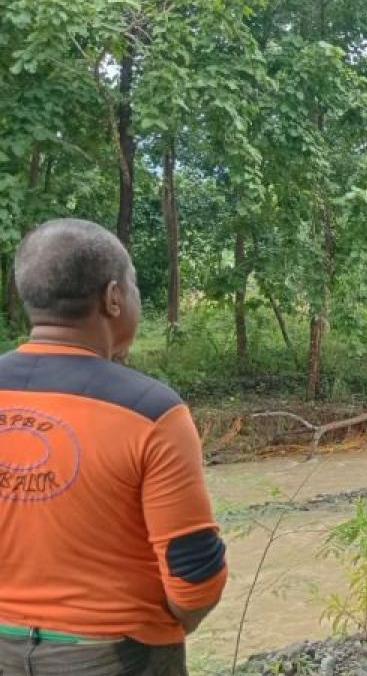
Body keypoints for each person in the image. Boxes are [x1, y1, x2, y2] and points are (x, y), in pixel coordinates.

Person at [0, 219, 228, 675]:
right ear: (113, 298)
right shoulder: (151, 411)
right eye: (135, 286)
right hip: (117, 654)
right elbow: (194, 573)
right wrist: (169, 626)